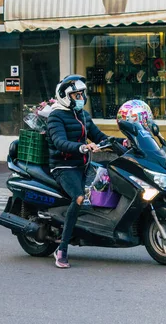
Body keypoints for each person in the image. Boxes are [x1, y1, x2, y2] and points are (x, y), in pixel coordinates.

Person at [47, 75, 111, 268]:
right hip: (63, 166)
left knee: (106, 187)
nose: (81, 97)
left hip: (82, 165)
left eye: (82, 93)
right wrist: (82, 147)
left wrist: (120, 141)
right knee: (79, 198)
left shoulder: (83, 115)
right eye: (76, 94)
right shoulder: (55, 116)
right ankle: (62, 249)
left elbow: (98, 135)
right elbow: (59, 142)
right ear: (65, 96)